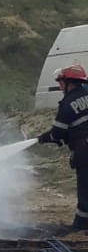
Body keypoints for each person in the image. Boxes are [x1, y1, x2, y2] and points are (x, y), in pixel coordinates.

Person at [37, 63, 88, 232]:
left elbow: (57, 133)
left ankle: (81, 226)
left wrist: (47, 137)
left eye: (61, 83)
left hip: (84, 151)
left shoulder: (68, 103)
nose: (60, 87)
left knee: (85, 189)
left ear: (69, 82)